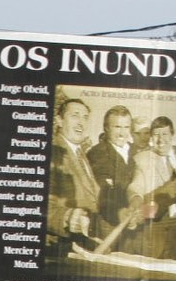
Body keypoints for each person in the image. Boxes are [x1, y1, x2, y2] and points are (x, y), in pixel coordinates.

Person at [125, 116, 176, 259]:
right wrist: (135, 199)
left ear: (172, 134)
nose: (160, 140)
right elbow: (136, 185)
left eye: (165, 134)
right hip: (156, 228)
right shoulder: (142, 158)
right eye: (156, 134)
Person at [45, 97, 102, 249]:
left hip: (83, 243)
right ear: (59, 120)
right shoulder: (53, 153)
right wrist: (67, 217)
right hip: (59, 248)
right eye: (75, 115)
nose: (81, 122)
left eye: (85, 117)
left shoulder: (80, 153)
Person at [87, 106, 136, 235]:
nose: (122, 133)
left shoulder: (136, 151)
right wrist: (119, 212)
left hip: (136, 226)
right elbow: (102, 190)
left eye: (126, 127)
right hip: (109, 226)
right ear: (106, 128)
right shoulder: (97, 153)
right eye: (117, 127)